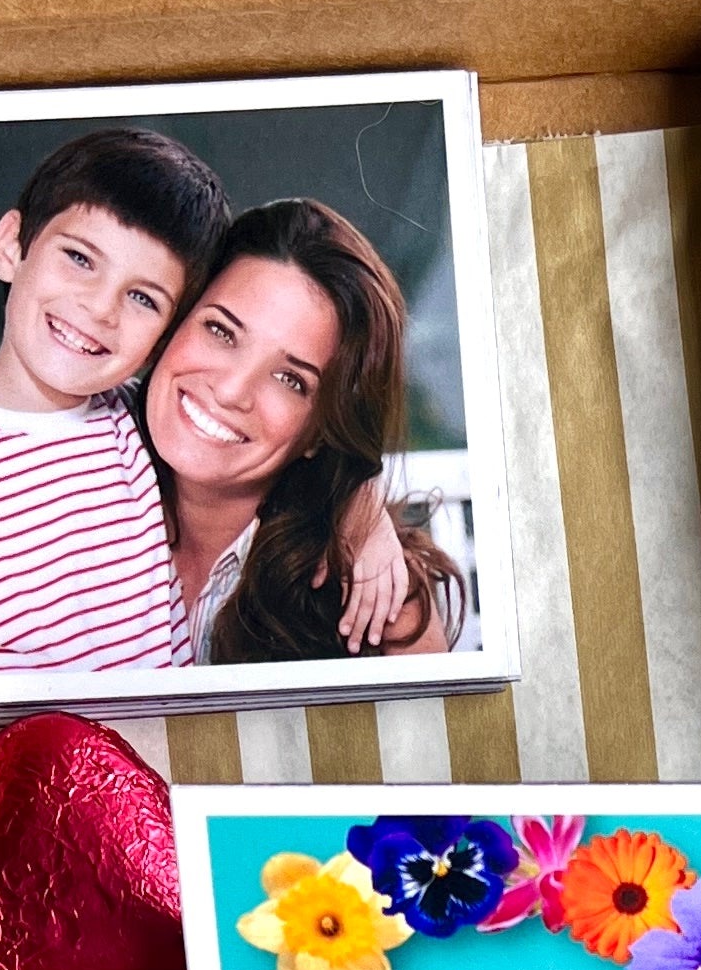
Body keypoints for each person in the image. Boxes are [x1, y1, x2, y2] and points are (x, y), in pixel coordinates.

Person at [0, 127, 226, 676]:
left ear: (165, 337)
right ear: (12, 247)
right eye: (80, 258)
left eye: (143, 297)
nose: (101, 308)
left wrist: (366, 523)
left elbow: (286, 470)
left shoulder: (146, 422)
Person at [139, 196, 463, 667]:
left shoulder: (376, 601)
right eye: (221, 331)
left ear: (320, 432)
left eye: (291, 380)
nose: (231, 391)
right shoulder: (75, 459)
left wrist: (358, 503)